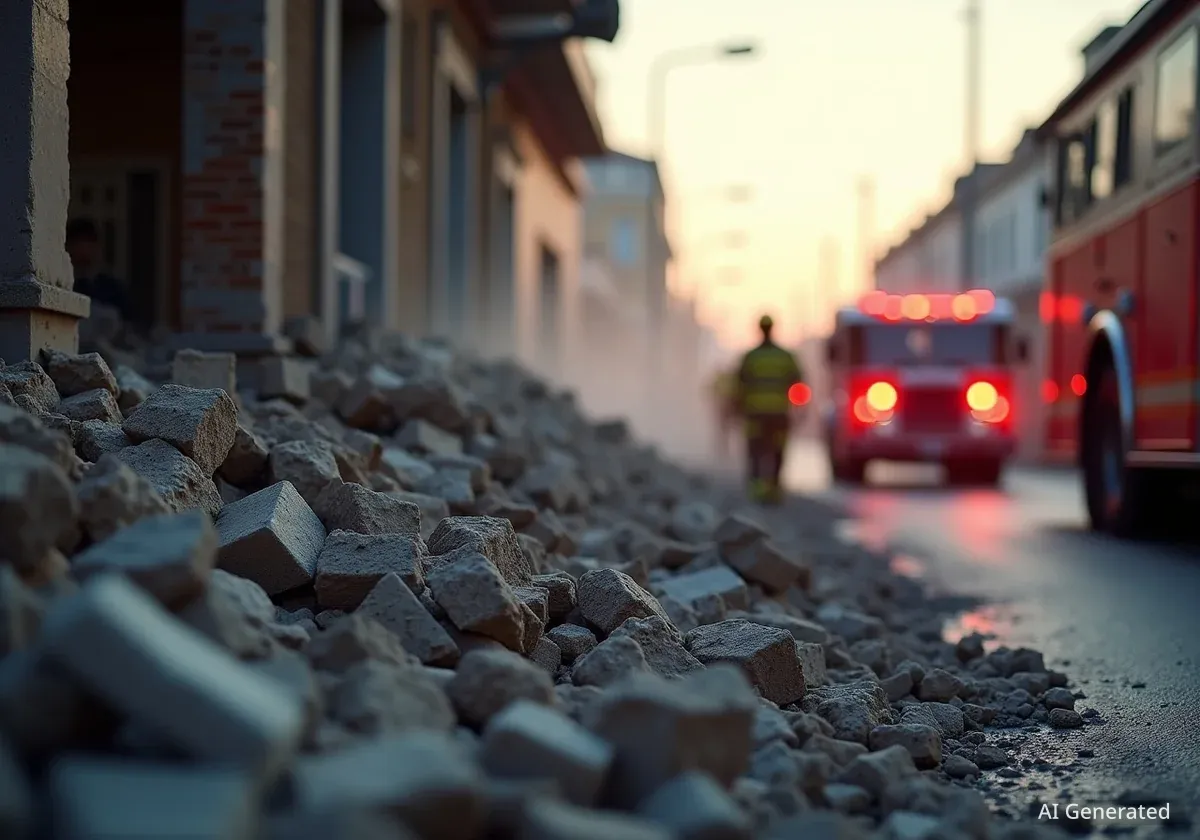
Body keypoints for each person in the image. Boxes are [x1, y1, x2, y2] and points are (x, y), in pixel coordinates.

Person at [734, 314, 804, 504]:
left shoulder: (750, 357)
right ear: (773, 328)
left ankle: (757, 489)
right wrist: (800, 410)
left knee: (756, 450)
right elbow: (798, 385)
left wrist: (736, 409)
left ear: (760, 329)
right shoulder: (785, 357)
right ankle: (774, 489)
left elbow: (739, 386)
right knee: (777, 451)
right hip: (779, 414)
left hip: (755, 414)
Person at [66, 218, 131, 321]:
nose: (84, 250)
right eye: (79, 243)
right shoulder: (63, 285)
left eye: (89, 243)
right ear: (69, 247)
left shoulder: (114, 289)